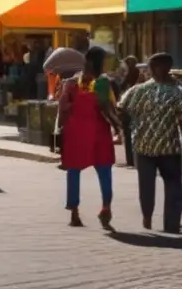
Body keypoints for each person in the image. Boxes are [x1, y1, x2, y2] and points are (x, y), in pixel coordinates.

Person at [118, 52, 182, 233]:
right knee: (174, 186)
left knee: (146, 185)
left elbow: (121, 109)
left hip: (143, 146)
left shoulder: (138, 90)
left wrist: (130, 127)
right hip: (171, 148)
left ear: (151, 69)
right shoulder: (180, 92)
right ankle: (171, 225)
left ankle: (147, 217)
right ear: (169, 68)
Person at [58, 46, 117, 229]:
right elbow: (107, 107)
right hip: (99, 132)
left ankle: (74, 212)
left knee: (73, 171)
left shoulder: (71, 83)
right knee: (105, 170)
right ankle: (105, 207)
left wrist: (61, 127)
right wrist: (118, 126)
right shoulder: (102, 82)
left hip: (75, 132)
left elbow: (62, 107)